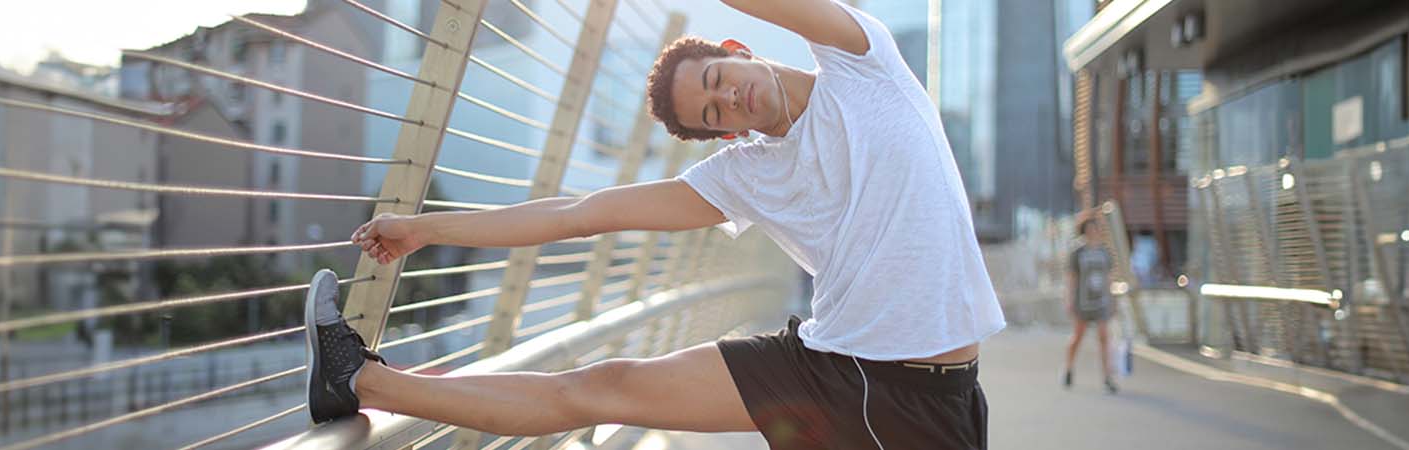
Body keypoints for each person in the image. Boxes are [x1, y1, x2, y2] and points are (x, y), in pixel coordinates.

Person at [304, 1, 1004, 448]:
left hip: (920, 399)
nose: (728, 99)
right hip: (826, 363)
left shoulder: (864, 62)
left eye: (715, 82)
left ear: (733, 48)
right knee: (598, 388)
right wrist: (429, 228)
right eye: (713, 116)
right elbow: (580, 215)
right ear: (723, 138)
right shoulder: (745, 175)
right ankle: (360, 381)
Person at [1062, 214, 1119, 394]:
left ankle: (1107, 376)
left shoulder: (1105, 252)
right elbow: (1072, 277)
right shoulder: (1077, 251)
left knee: (1104, 337)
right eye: (1089, 228)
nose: (1093, 232)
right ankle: (1069, 368)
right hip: (1083, 300)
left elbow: (1110, 277)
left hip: (1101, 300)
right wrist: (1069, 299)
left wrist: (1113, 299)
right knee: (1078, 335)